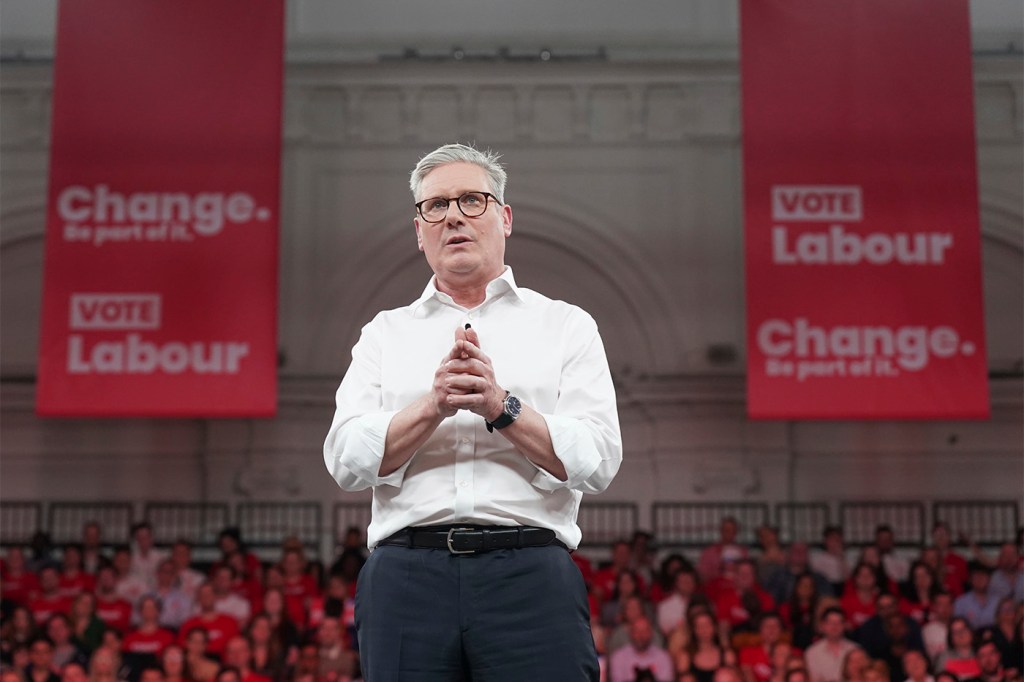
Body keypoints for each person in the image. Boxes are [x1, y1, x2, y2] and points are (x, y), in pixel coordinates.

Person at [322, 142, 622, 680]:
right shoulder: (384, 334)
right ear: (420, 231)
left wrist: (501, 407)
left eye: (471, 200)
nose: (454, 215)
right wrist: (434, 405)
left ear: (504, 217)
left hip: (530, 574)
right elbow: (345, 461)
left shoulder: (566, 326)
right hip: (406, 578)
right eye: (435, 206)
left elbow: (598, 461)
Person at [608, 616, 674, 682]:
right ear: (631, 633)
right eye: (637, 631)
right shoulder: (619, 657)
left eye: (645, 631)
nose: (641, 635)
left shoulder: (663, 657)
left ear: (651, 633)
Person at [805, 607, 858, 682]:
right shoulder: (812, 652)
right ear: (823, 625)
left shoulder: (855, 649)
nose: (834, 626)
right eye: (830, 622)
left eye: (838, 622)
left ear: (844, 625)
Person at [698, 518, 750, 584]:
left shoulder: (743, 552)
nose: (729, 533)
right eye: (726, 530)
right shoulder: (709, 552)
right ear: (721, 531)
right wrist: (719, 570)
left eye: (732, 530)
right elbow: (702, 575)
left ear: (736, 532)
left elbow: (747, 573)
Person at [953, 564, 998, 630]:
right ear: (971, 580)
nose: (980, 580)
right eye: (976, 577)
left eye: (982, 576)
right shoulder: (960, 603)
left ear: (989, 579)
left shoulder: (998, 601)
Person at [811, 527, 851, 597]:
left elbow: (848, 578)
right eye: (831, 539)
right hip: (825, 589)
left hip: (842, 588)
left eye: (837, 539)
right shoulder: (817, 559)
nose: (835, 542)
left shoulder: (848, 557)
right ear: (825, 541)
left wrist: (841, 558)